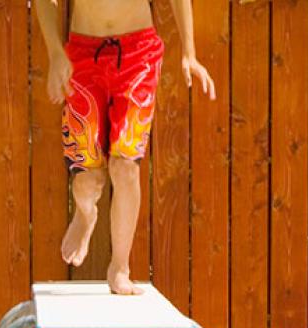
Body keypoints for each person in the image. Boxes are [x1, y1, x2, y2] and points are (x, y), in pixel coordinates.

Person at [34, 0, 216, 295]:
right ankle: (85, 213)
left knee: (125, 166)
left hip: (138, 55)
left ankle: (120, 267)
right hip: (81, 55)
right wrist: (55, 53)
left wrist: (190, 53)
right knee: (86, 177)